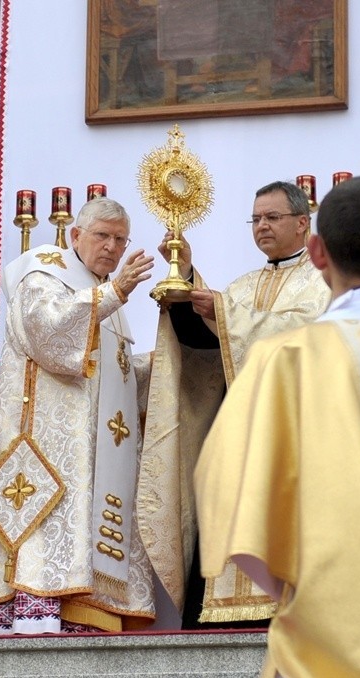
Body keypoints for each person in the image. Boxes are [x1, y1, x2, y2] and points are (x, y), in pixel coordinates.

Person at [195, 176, 360, 678]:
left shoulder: (285, 359)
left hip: (322, 651)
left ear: (316, 252)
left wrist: (294, 592)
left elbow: (222, 491)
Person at [138, 180, 331, 628]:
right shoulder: (243, 287)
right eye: (256, 219)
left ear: (303, 223)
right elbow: (204, 347)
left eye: (272, 217)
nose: (261, 226)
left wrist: (223, 312)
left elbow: (306, 331)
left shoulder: (324, 280)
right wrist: (184, 278)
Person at [0, 197, 158, 634]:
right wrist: (113, 293)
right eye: (102, 236)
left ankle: (90, 617)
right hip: (44, 452)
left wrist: (166, 360)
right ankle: (33, 620)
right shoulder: (43, 274)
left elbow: (115, 376)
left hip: (89, 454)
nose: (112, 247)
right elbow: (50, 338)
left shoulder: (100, 290)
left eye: (120, 239)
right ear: (75, 236)